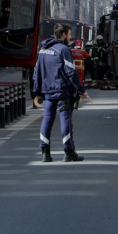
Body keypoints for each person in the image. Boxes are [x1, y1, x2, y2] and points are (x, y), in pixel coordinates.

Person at [33, 23, 85, 162]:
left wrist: (37, 89)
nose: (70, 36)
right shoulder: (64, 50)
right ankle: (68, 152)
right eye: (69, 34)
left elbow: (36, 71)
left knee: (47, 120)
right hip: (62, 91)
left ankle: (45, 152)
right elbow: (71, 72)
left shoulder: (44, 50)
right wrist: (81, 89)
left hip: (47, 91)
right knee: (65, 120)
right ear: (63, 35)